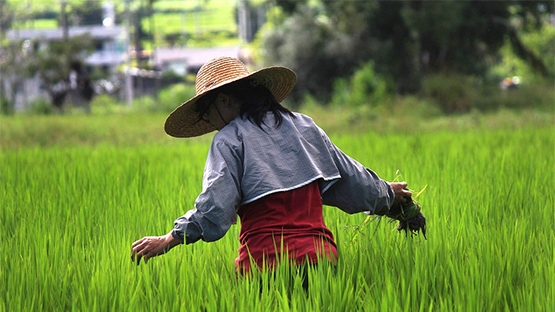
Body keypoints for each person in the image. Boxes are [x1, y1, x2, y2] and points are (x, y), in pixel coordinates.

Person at [130, 56, 422, 274]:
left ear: (224, 100)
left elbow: (216, 210)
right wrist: (389, 194)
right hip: (320, 261)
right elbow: (355, 181)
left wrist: (170, 238)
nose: (209, 123)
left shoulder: (229, 140)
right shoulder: (305, 127)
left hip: (264, 266)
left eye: (207, 114)